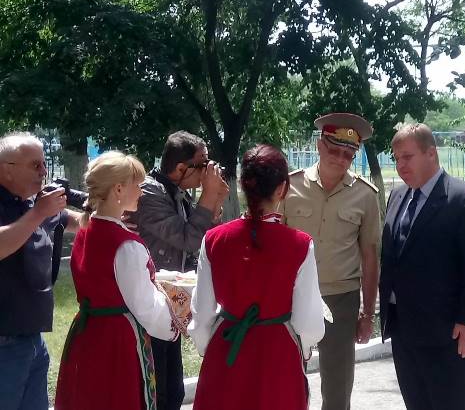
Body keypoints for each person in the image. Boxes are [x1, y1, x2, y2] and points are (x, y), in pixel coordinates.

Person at [189, 144, 325, 410]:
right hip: (278, 356)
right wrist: (304, 349)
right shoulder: (299, 244)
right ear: (282, 189)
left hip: (226, 352)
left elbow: (202, 313)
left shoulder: (214, 239)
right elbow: (308, 323)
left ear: (242, 185)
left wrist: (210, 348)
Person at [379, 123, 465, 410]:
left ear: (431, 153)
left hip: (448, 334)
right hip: (404, 329)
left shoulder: (464, 200)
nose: (401, 165)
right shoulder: (397, 197)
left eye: (408, 157)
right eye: (397, 158)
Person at [55, 151, 181, 410]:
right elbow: (145, 306)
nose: (141, 192)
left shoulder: (87, 229)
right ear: (119, 189)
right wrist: (176, 321)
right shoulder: (125, 244)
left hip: (88, 334)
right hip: (117, 341)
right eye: (138, 186)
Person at [282, 112, 381, 410]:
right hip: (292, 297)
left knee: (338, 386)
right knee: (285, 377)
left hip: (341, 299)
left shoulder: (365, 195)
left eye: (348, 155)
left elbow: (370, 257)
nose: (340, 159)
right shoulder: (289, 186)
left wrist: (367, 314)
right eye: (334, 150)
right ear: (319, 145)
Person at [127, 130, 228, 410]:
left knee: (173, 392)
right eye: (203, 164)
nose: (207, 171)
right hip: (146, 309)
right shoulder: (150, 193)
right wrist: (208, 195)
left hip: (168, 306)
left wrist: (216, 200)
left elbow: (205, 237)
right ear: (181, 168)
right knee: (158, 393)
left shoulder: (175, 193)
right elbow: (189, 238)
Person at [0, 132, 81, 410]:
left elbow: (75, 221)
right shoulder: (33, 209)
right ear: (6, 169)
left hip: (32, 338)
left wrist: (107, 213)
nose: (44, 172)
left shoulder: (31, 202)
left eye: (44, 163)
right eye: (35, 165)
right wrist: (38, 213)